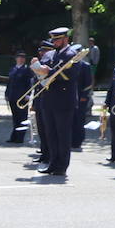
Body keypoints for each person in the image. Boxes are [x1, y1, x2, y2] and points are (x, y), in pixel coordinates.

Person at [32, 28, 82, 177]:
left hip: (64, 101)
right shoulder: (49, 54)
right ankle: (52, 163)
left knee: (63, 134)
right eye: (53, 40)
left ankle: (62, 166)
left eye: (57, 40)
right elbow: (41, 72)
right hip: (48, 100)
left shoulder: (72, 55)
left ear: (66, 39)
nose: (54, 43)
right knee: (51, 134)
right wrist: (37, 69)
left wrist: (48, 72)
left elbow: (70, 75)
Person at [5, 49, 35, 144]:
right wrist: (7, 94)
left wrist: (28, 95)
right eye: (19, 57)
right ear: (16, 58)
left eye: (23, 58)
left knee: (22, 117)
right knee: (15, 118)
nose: (21, 59)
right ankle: (14, 136)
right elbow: (9, 83)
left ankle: (20, 137)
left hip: (22, 97)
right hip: (13, 96)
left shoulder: (27, 70)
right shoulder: (13, 69)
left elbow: (29, 83)